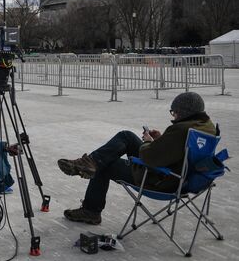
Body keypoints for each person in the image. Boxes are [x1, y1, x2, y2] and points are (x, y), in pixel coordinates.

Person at [58, 92, 215, 225]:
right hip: (181, 177)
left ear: (185, 112)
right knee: (127, 136)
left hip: (161, 180)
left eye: (174, 112)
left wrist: (148, 142)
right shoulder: (206, 127)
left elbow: (149, 157)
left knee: (105, 164)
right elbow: (177, 151)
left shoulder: (181, 129)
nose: (173, 116)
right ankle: (90, 163)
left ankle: (90, 210)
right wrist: (161, 140)